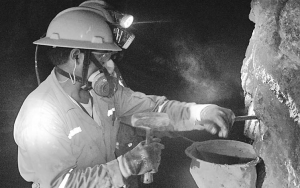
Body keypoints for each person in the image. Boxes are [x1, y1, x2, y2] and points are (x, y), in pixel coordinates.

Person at [13, 7, 235, 188]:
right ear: (76, 57)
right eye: (104, 56)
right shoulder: (41, 115)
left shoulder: (101, 94)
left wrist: (200, 113)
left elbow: (154, 109)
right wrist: (126, 166)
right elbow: (61, 183)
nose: (110, 65)